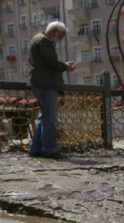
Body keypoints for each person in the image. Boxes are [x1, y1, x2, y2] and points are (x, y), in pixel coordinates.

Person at [28, 21, 76, 159]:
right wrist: (66, 66)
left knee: (43, 117)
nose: (59, 40)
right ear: (54, 32)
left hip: (40, 83)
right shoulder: (43, 42)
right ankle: (49, 149)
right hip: (46, 84)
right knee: (50, 118)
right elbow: (51, 62)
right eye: (60, 36)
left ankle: (35, 148)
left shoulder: (37, 39)